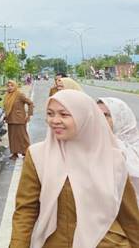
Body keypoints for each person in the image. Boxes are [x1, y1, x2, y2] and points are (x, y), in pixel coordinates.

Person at [11, 90, 139, 247]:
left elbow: (128, 215)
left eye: (64, 115)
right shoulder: (38, 155)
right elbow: (26, 210)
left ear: (84, 117)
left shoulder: (112, 158)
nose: (55, 120)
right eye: (50, 114)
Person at [99, 97, 139, 204]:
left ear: (120, 118)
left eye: (106, 115)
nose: (100, 119)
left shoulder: (133, 147)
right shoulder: (90, 144)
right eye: (97, 114)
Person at [4, 80, 34, 160]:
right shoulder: (7, 95)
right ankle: (14, 153)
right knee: (12, 137)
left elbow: (30, 103)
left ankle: (26, 153)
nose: (10, 87)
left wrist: (29, 114)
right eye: (8, 86)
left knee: (22, 137)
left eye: (12, 85)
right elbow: (7, 108)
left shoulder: (19, 94)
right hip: (10, 119)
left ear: (15, 86)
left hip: (19, 119)